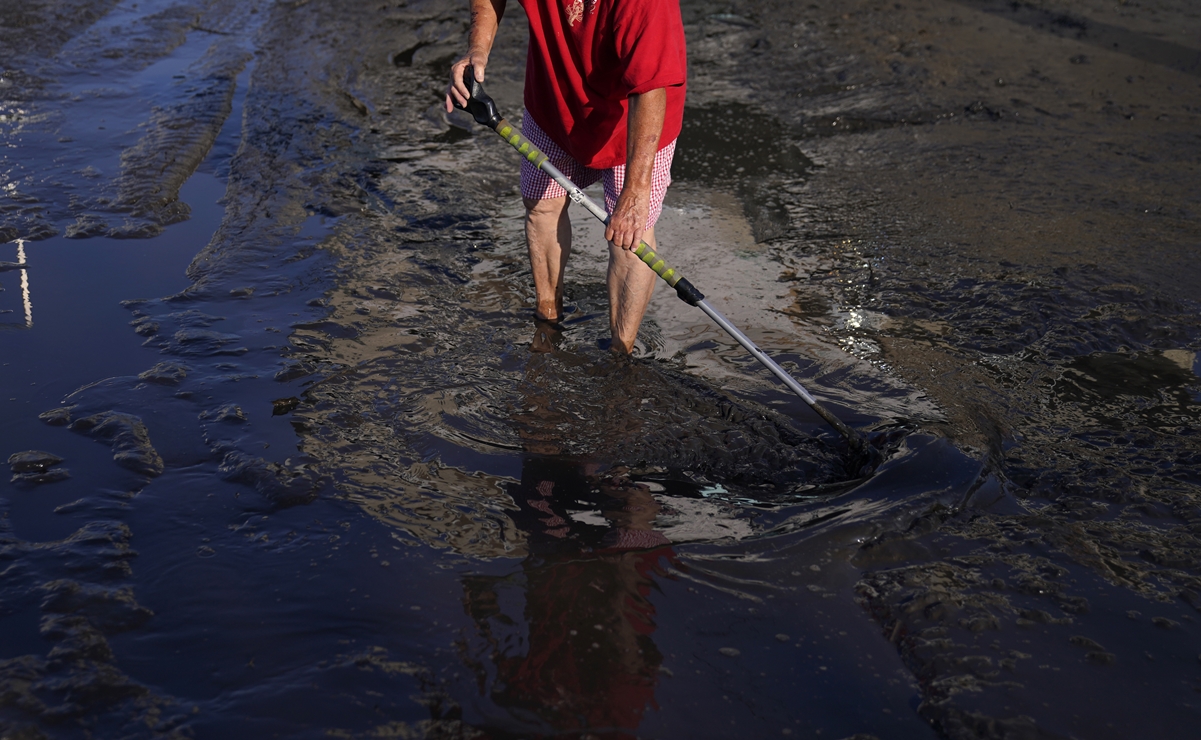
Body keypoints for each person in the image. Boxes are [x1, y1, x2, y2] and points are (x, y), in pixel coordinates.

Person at [445, 0, 687, 354]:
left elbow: (650, 89)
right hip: (554, 103)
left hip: (635, 122)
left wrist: (635, 192)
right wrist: (477, 51)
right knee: (541, 206)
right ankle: (547, 319)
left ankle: (622, 353)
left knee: (629, 237)